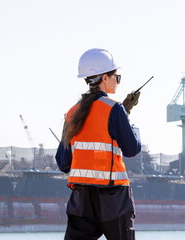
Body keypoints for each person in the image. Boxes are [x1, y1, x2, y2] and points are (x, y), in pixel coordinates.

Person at [55, 48, 141, 240]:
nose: (118, 82)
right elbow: (131, 149)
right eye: (116, 77)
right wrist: (126, 118)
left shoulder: (72, 113)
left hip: (81, 202)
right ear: (104, 78)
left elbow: (63, 163)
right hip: (114, 200)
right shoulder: (115, 109)